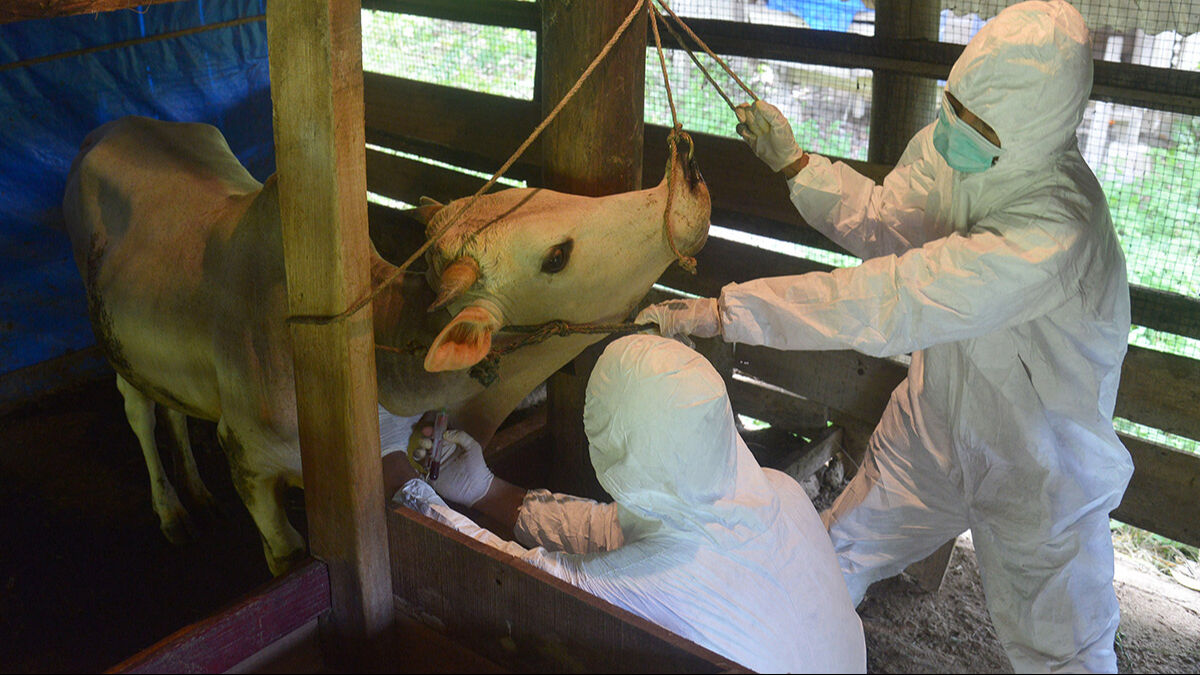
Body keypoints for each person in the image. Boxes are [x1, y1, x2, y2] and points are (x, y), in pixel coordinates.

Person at [636, 1, 1132, 672]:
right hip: (933, 429)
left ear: (1034, 128)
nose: (952, 127)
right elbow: (884, 221)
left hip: (1038, 468)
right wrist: (797, 166)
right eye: (953, 104)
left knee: (1065, 650)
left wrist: (728, 311)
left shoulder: (1054, 225)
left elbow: (889, 300)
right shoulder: (954, 145)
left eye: (976, 121)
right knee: (829, 560)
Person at [388, 334, 866, 674]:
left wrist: (401, 482)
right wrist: (483, 490)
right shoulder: (776, 490)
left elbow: (529, 579)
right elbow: (610, 527)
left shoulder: (653, 586)